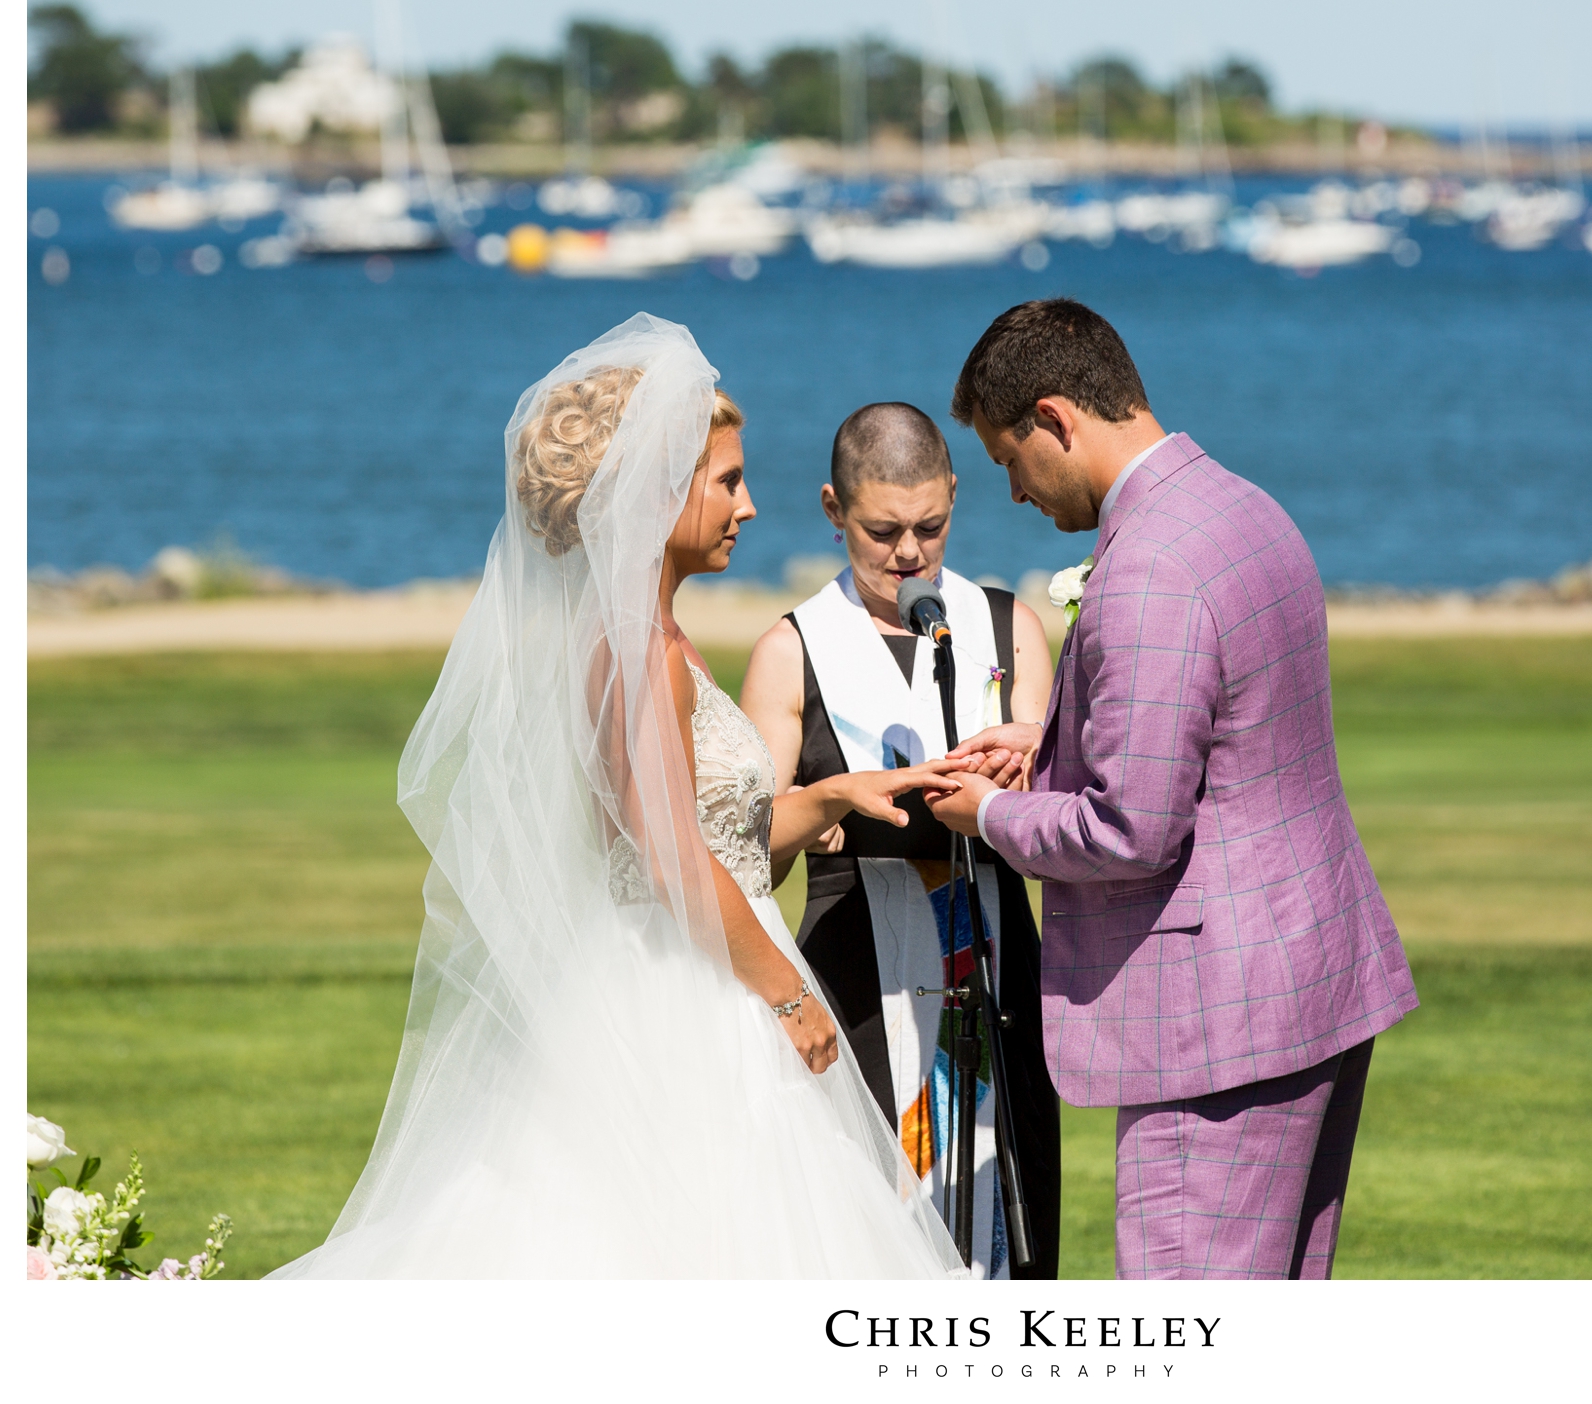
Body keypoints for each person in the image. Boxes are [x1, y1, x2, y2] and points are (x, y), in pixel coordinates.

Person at [273, 314, 963, 1278]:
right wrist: (785, 994)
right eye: (727, 481)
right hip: (686, 995)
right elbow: (672, 850)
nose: (749, 506)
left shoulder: (651, 635)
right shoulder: (633, 645)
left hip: (687, 964)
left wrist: (834, 794)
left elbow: (710, 830)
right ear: (654, 492)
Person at [925, 298, 1418, 1280]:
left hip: (1214, 1026)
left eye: (1005, 461)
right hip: (1308, 975)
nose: (1014, 495)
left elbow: (1129, 829)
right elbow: (1229, 725)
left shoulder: (1145, 564)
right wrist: (1053, 737)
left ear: (1056, 418)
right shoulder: (1238, 504)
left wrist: (986, 811)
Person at [740, 402, 1063, 1279]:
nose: (909, 553)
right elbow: (746, 859)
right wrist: (825, 800)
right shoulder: (791, 651)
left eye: (931, 525)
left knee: (1012, 1241)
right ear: (833, 509)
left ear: (956, 495)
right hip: (854, 974)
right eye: (882, 531)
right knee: (865, 1255)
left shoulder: (1008, 628)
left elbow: (1057, 814)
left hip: (998, 972)